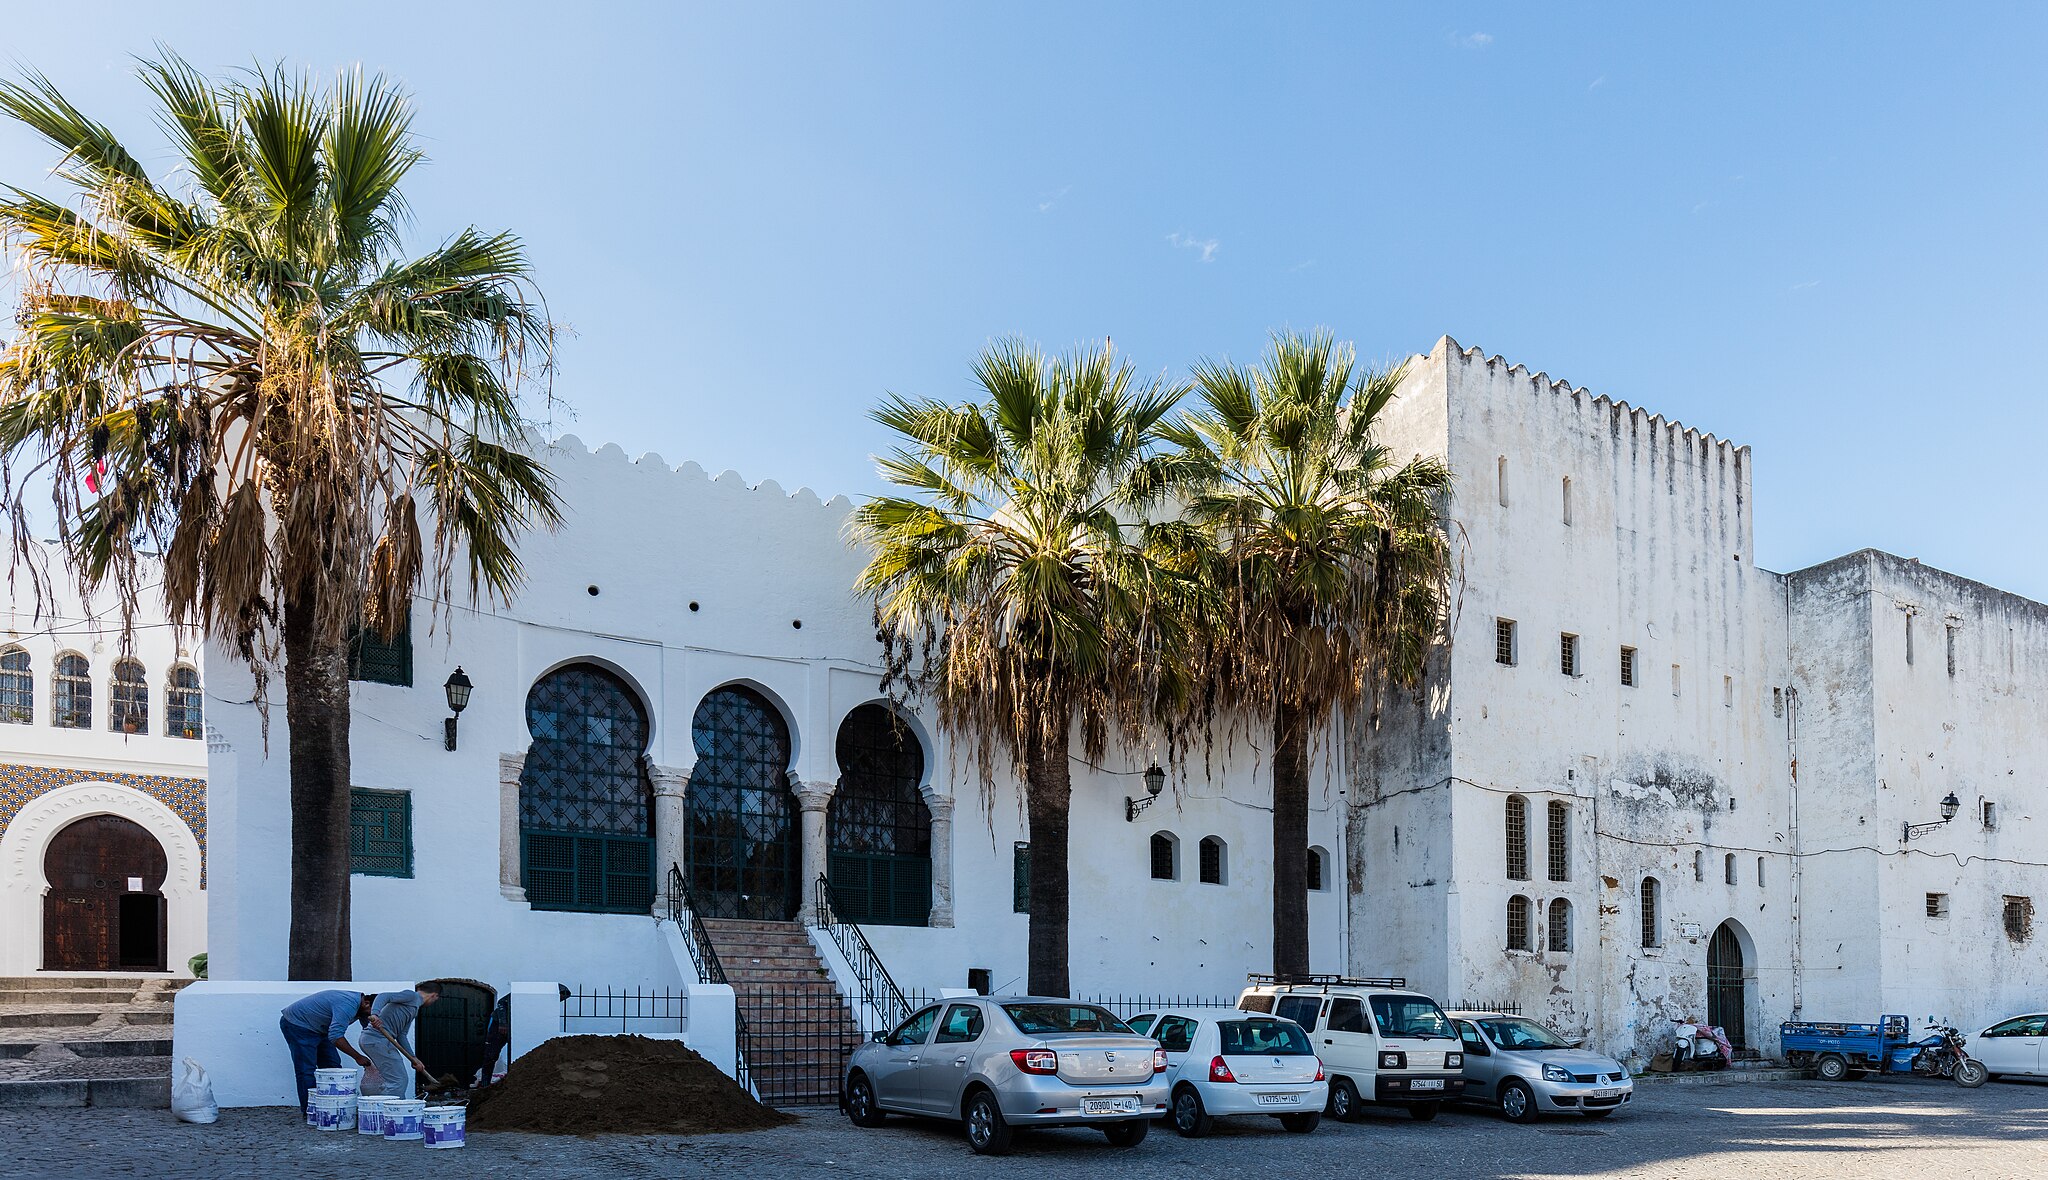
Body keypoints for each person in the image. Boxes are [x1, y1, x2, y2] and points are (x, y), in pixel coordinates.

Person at [278, 990, 374, 1114]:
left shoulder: (363, 1009)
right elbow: (336, 1036)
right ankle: (311, 1112)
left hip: (321, 1028)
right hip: (298, 1024)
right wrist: (357, 1057)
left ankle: (333, 1108)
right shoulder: (348, 1005)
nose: (373, 1015)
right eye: (373, 1012)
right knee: (306, 1070)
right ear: (366, 1003)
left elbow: (369, 1032)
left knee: (333, 1067)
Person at [473, 984, 571, 1087]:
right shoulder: (529, 993)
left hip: (515, 1026)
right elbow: (501, 1002)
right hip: (498, 1025)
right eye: (560, 998)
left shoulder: (543, 1003)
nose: (560, 1001)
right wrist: (503, 1023)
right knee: (491, 1055)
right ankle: (485, 1085)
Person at [361, 982, 441, 1098]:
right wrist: (375, 1014)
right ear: (434, 996)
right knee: (398, 1080)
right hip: (376, 1040)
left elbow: (401, 1035)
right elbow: (384, 996)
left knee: (398, 1079)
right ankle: (393, 1113)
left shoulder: (414, 1008)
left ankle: (386, 1109)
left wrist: (414, 1058)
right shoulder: (412, 996)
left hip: (380, 1042)